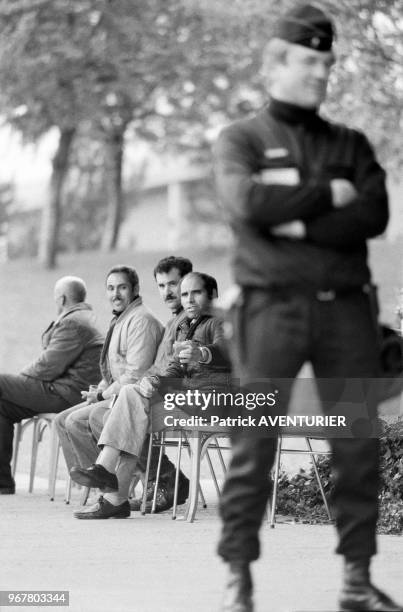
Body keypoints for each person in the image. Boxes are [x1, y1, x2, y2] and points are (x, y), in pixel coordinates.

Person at [213, 4, 402, 612]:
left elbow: (373, 214)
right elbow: (246, 204)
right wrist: (327, 199)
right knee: (253, 448)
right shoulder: (242, 139)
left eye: (328, 62)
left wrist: (292, 219)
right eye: (308, 61)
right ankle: (237, 582)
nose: (321, 72)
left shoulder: (351, 143)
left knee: (356, 448)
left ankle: (355, 580)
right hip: (271, 315)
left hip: (347, 316)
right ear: (275, 63)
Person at [70, 272, 231, 517]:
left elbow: (226, 352)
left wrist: (203, 354)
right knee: (131, 400)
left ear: (213, 296)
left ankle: (112, 492)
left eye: (195, 293)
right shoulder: (185, 326)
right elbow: (176, 368)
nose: (188, 299)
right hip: (185, 397)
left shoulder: (220, 322)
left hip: (212, 399)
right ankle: (111, 485)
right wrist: (155, 382)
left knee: (131, 408)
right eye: (184, 294)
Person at [54, 265, 164, 518]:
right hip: (117, 393)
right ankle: (102, 487)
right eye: (111, 288)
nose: (115, 293)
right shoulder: (122, 318)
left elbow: (135, 374)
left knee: (81, 420)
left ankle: (111, 490)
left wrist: (103, 396)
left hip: (138, 398)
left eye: (122, 287)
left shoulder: (141, 321)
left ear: (135, 289)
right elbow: (115, 369)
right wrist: (99, 390)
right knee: (64, 420)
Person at [0, 276, 104, 495]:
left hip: (67, 394)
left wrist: (19, 382)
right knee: (2, 408)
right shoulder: (85, 317)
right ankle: (2, 483)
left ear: (61, 298)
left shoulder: (73, 322)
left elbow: (48, 366)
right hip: (69, 390)